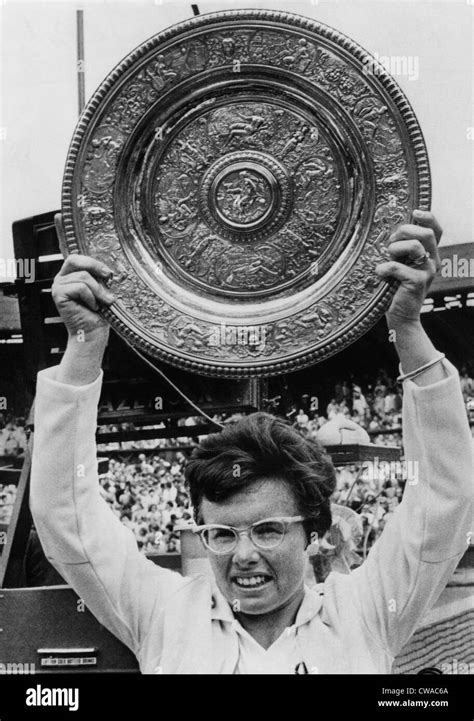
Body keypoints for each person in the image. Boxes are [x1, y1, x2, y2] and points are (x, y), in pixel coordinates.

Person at [30, 211, 473, 673]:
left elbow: (444, 500)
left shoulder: (365, 611)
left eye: (268, 529)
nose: (243, 556)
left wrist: (407, 328)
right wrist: (84, 346)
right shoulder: (165, 613)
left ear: (313, 532)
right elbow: (66, 518)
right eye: (221, 534)